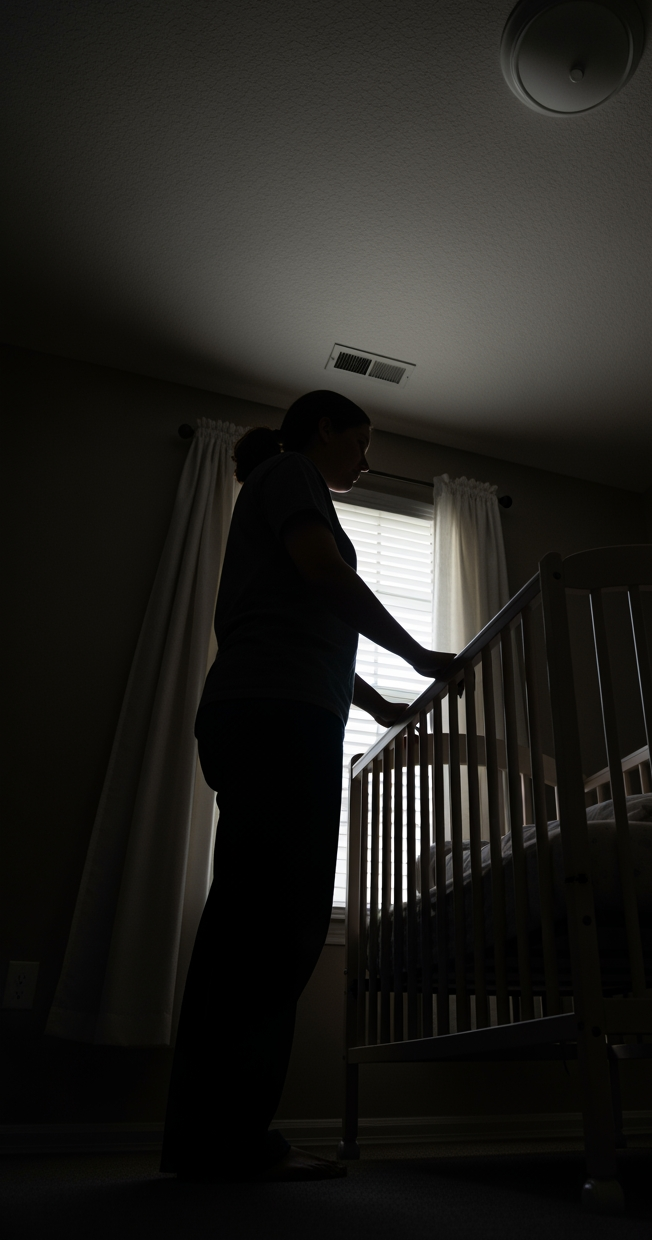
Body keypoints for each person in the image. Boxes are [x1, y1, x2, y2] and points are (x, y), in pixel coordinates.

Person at [160, 390, 455, 1181]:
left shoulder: (283, 486)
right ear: (324, 428)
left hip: (264, 710)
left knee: (249, 922)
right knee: (273, 931)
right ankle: (232, 1141)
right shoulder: (292, 474)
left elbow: (303, 620)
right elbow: (324, 576)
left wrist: (380, 701)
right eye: (360, 441)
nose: (365, 458)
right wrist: (421, 657)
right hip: (278, 718)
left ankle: (205, 1139)